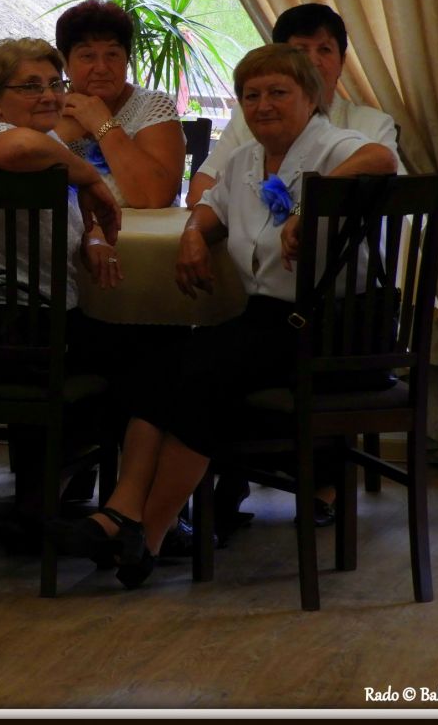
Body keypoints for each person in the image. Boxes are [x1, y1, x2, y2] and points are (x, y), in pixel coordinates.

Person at [47, 44, 398, 589]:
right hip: (269, 320)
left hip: (334, 329)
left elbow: (381, 160)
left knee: (203, 373)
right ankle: (125, 515)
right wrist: (193, 233)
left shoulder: (333, 145)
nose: (263, 105)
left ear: (310, 97)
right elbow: (212, 206)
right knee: (159, 361)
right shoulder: (247, 159)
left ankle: (146, 530)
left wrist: (310, 205)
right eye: (251, 95)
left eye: (278, 92)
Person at [0, 37, 122, 518]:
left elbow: (59, 220)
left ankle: (53, 486)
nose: (48, 95)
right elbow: (18, 148)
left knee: (138, 349)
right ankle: (123, 509)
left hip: (19, 327)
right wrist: (91, 177)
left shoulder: (51, 147)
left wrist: (90, 238)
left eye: (54, 84)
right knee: (152, 357)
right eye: (29, 86)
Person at [186, 2, 401, 208]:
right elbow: (199, 191)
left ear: (342, 62)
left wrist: (296, 211)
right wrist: (268, 214)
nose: (313, 61)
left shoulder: (373, 124)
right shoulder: (250, 117)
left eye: (325, 50)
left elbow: (394, 202)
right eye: (301, 51)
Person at [51, 0, 185, 208]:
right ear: (65, 64)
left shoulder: (152, 105)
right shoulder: (47, 110)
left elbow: (155, 197)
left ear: (127, 60)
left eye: (112, 54)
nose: (102, 68)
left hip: (144, 229)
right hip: (67, 229)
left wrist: (102, 124)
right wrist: (55, 137)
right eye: (87, 56)